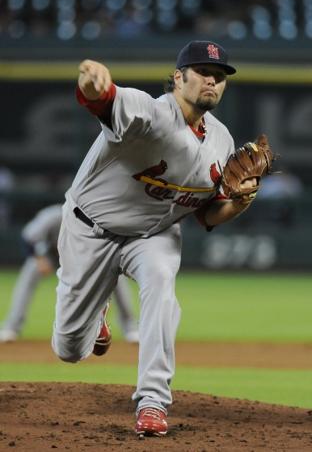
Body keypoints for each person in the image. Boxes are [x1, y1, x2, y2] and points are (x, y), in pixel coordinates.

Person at [51, 40, 258, 437]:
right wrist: (91, 79)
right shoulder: (147, 112)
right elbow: (101, 99)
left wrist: (240, 203)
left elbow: (207, 213)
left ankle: (152, 402)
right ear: (178, 78)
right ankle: (95, 316)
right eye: (202, 73)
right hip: (90, 228)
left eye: (219, 77)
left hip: (154, 235)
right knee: (68, 349)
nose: (211, 82)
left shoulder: (222, 141)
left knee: (161, 285)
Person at [0, 204, 139, 344]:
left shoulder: (93, 218)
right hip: (53, 254)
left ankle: (130, 327)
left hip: (83, 255)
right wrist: (39, 258)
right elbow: (28, 237)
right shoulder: (52, 217)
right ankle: (11, 327)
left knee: (115, 273)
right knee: (30, 270)